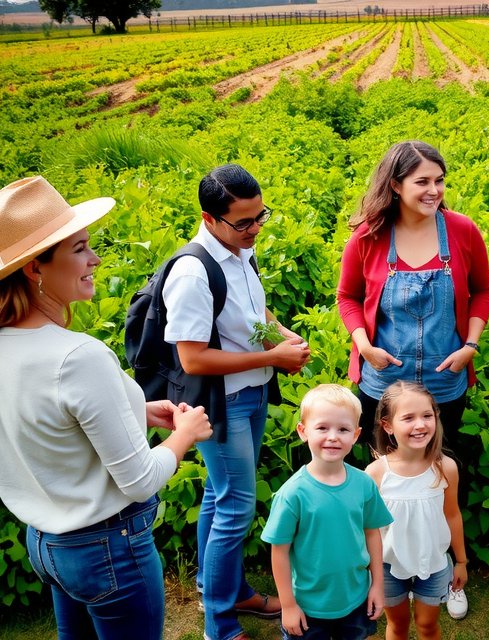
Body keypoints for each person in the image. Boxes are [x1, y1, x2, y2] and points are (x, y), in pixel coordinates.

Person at [0, 176, 213, 639]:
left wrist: (134, 410)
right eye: (79, 248)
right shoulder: (77, 356)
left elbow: (41, 423)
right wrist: (184, 434)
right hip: (107, 548)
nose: (95, 259)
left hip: (47, 543)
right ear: (36, 267)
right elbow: (138, 482)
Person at [337, 140, 489, 617]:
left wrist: (470, 345)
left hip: (444, 382)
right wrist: (364, 345)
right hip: (385, 384)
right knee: (386, 482)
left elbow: (484, 290)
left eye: (439, 181)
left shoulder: (462, 231)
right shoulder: (368, 237)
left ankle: (446, 570)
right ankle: (384, 569)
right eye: (422, 181)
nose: (434, 190)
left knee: (441, 476)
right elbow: (348, 296)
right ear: (396, 185)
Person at [162, 164, 311, 640]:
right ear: (209, 218)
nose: (255, 229)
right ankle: (220, 625)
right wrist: (273, 355)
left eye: (259, 216)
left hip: (248, 392)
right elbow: (192, 359)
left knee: (219, 496)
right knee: (236, 507)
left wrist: (282, 335)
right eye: (243, 222)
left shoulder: (238, 249)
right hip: (219, 403)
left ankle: (221, 587)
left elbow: (252, 309)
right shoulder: (192, 272)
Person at [261, 384, 393, 640]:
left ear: (355, 435)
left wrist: (377, 585)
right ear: (303, 431)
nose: (333, 436)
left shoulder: (364, 483)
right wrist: (288, 605)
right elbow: (279, 552)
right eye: (322, 428)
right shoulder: (293, 494)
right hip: (309, 606)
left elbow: (373, 533)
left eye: (343, 429)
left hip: (356, 599)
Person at [365, 381, 468, 639]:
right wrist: (371, 572)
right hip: (388, 567)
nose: (420, 424)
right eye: (408, 418)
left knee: (427, 626)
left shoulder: (446, 468)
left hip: (433, 563)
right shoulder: (376, 474)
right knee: (397, 626)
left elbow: (452, 514)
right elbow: (368, 529)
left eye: (426, 415)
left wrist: (462, 561)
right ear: (388, 425)